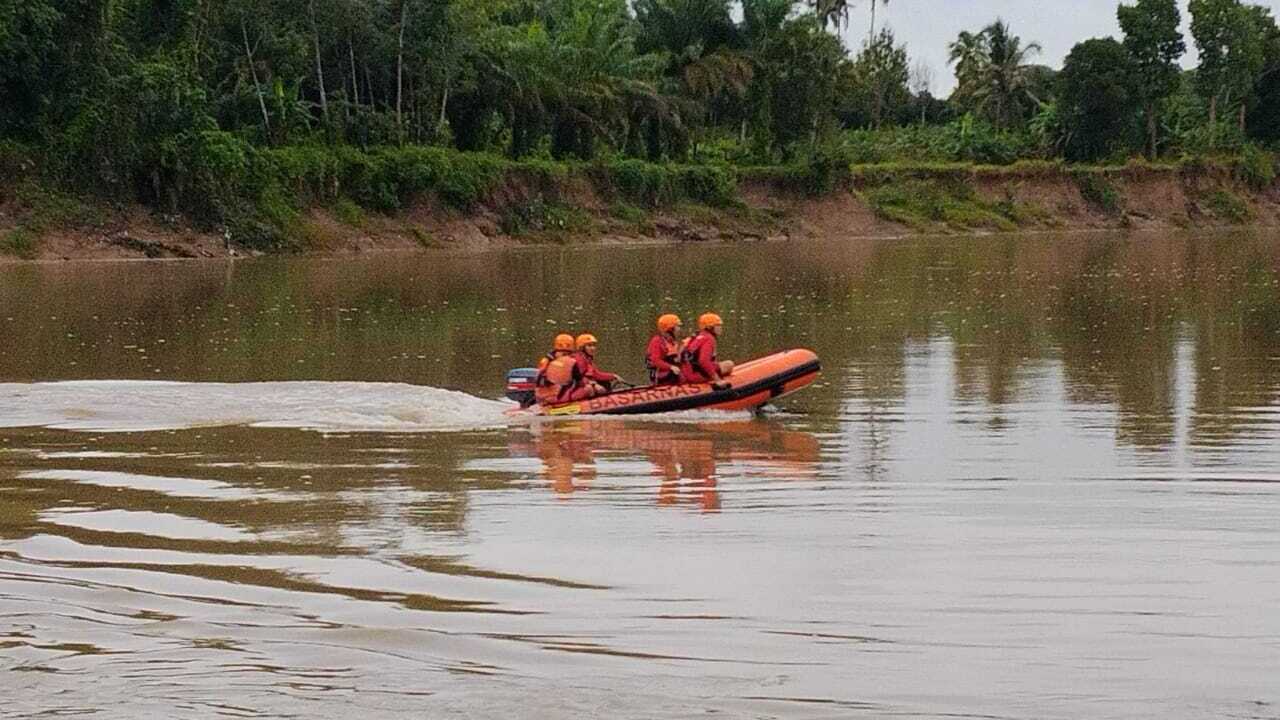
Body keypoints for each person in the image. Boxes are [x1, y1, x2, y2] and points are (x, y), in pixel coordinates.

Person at [680, 312, 734, 389]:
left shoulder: (696, 335)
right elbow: (703, 361)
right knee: (729, 364)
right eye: (717, 325)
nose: (720, 328)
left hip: (687, 373)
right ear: (710, 327)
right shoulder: (709, 339)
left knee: (718, 363)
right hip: (696, 375)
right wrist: (717, 379)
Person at [562, 333, 622, 402]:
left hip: (583, 386)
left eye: (593, 346)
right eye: (589, 346)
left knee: (605, 383)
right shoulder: (579, 359)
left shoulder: (587, 359)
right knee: (591, 388)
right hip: (575, 389)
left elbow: (596, 374)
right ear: (582, 347)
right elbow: (578, 378)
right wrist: (594, 384)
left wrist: (613, 376)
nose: (593, 348)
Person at [534, 333, 577, 405]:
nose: (564, 355)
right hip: (549, 392)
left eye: (566, 353)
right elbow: (540, 376)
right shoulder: (547, 362)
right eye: (563, 353)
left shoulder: (571, 360)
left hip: (553, 391)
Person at [645, 314, 684, 385]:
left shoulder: (672, 341)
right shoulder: (657, 341)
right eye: (677, 326)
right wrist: (671, 367)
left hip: (672, 374)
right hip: (661, 375)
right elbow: (655, 360)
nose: (679, 329)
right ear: (670, 328)